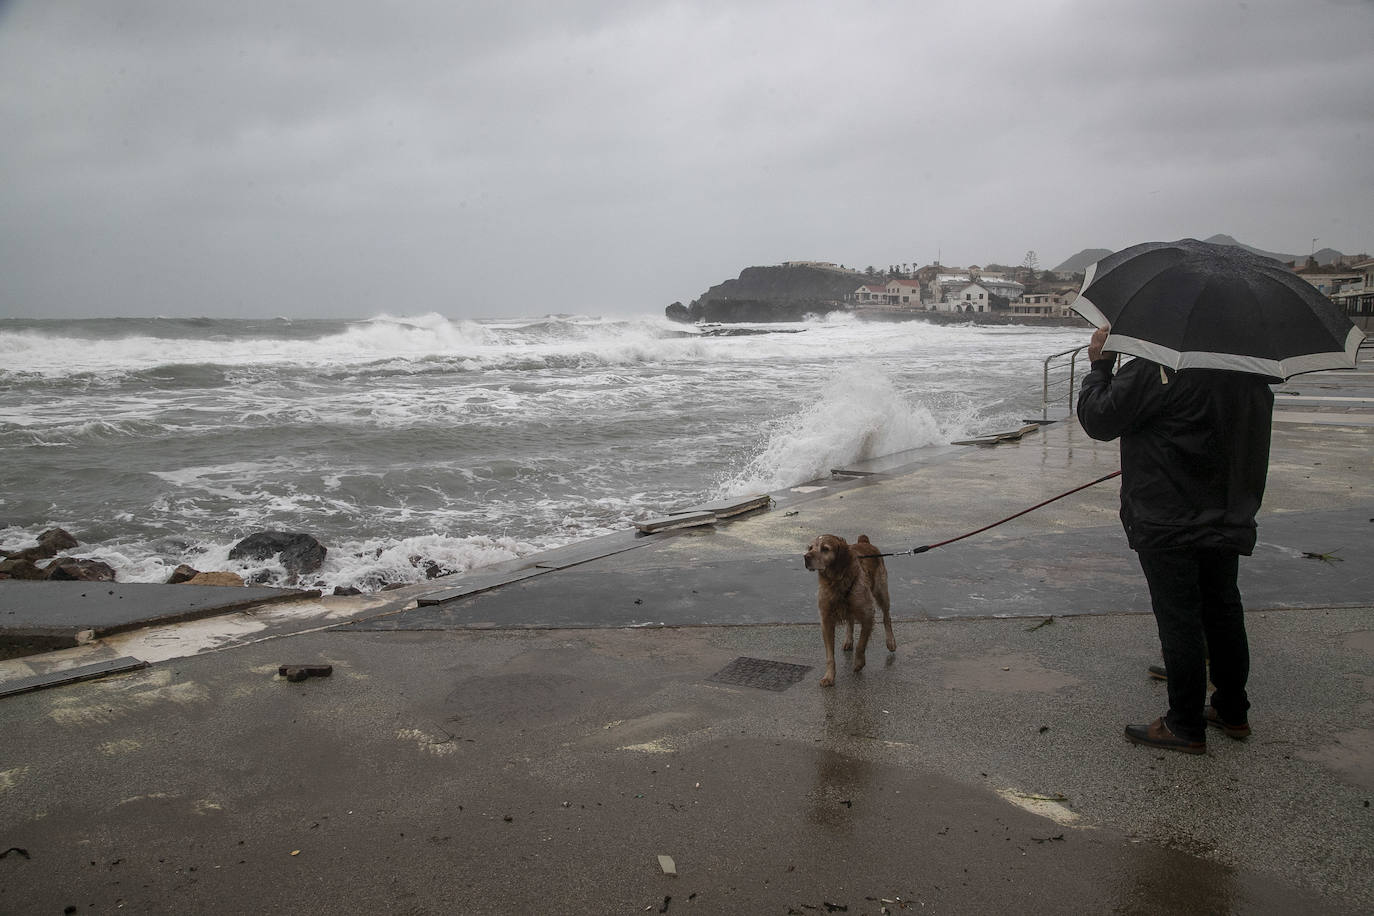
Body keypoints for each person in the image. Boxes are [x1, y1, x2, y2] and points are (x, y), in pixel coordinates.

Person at [1076, 325, 1273, 754]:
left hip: (1169, 515)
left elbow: (1098, 419)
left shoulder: (1158, 368)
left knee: (1180, 617)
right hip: (1226, 511)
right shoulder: (1251, 374)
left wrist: (1100, 365)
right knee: (1222, 609)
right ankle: (1231, 710)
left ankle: (1184, 724)